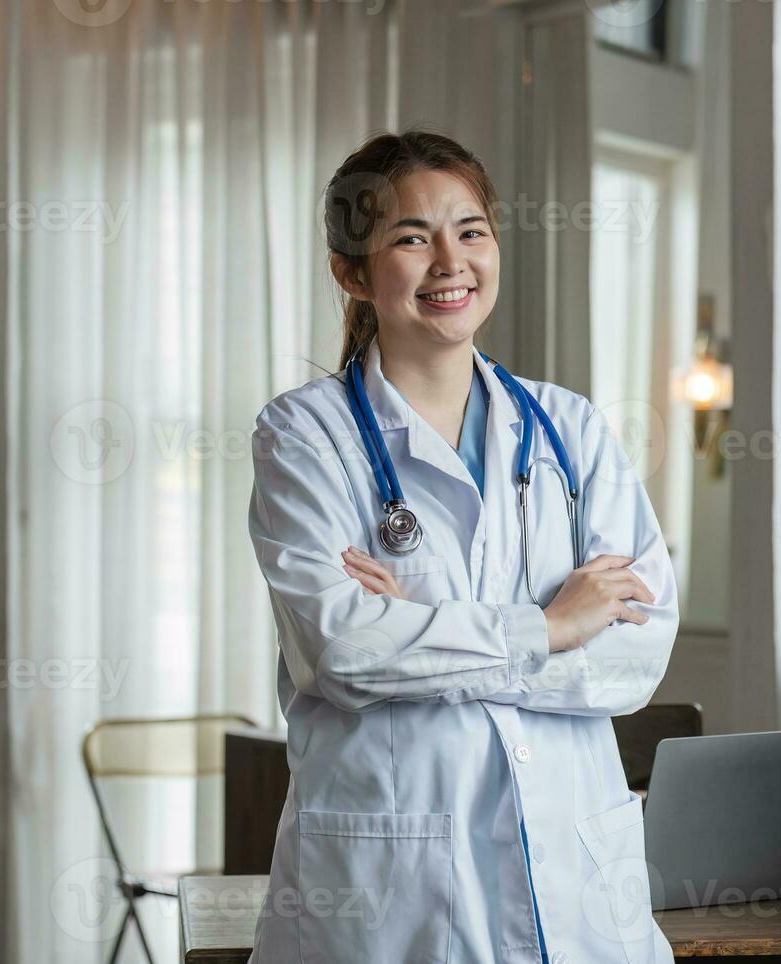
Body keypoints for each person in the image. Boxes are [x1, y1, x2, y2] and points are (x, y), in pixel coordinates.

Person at [246, 127, 679, 963]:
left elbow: (636, 657)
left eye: (470, 230)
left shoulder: (572, 428)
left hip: (577, 889)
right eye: (412, 238)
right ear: (352, 271)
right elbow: (342, 651)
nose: (451, 262)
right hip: (392, 897)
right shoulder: (305, 435)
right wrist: (549, 626)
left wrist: (424, 630)